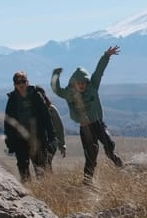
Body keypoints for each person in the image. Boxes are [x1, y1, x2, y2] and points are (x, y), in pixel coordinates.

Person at [51, 46, 123, 185]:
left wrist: (106, 56)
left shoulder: (93, 86)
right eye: (79, 83)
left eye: (83, 82)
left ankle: (118, 163)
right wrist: (56, 75)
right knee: (91, 157)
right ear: (74, 83)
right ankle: (87, 181)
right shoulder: (70, 93)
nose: (81, 85)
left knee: (109, 146)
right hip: (85, 129)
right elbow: (57, 90)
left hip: (98, 124)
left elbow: (99, 72)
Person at [4, 71, 56, 182]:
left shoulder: (36, 95)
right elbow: (8, 122)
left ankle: (45, 192)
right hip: (20, 139)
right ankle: (29, 194)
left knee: (41, 168)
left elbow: (46, 117)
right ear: (14, 84)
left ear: (28, 82)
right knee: (23, 169)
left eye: (23, 81)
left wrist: (51, 136)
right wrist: (9, 142)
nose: (21, 84)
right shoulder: (12, 99)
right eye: (18, 82)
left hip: (37, 138)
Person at [35, 85, 67, 170]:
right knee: (41, 165)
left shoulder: (51, 109)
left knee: (45, 162)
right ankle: (47, 181)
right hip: (38, 142)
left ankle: (48, 181)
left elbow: (59, 127)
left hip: (51, 141)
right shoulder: (32, 110)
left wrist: (62, 145)